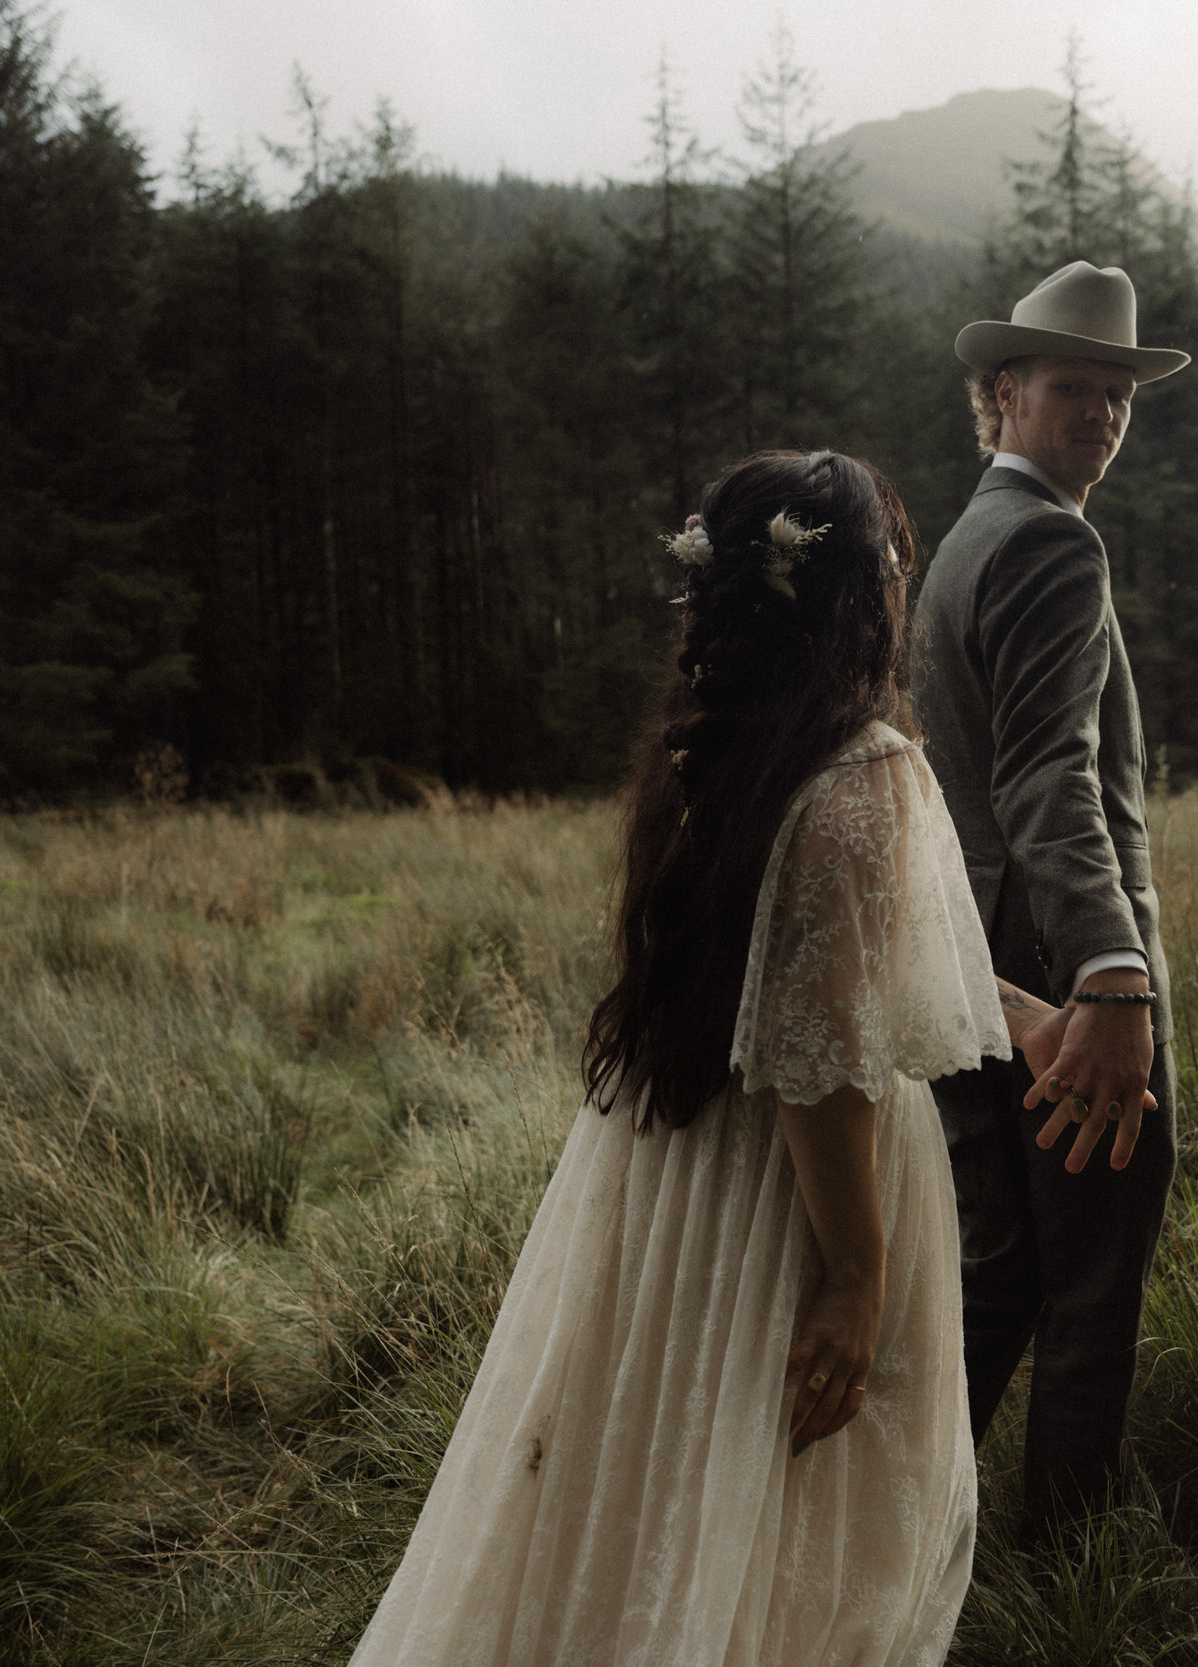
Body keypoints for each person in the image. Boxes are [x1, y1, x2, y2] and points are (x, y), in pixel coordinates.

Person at [348, 451, 1079, 1667]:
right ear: (858, 594)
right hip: (791, 1198)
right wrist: (853, 1275)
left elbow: (834, 954)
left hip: (675, 1174)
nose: (903, 583)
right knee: (804, 1510)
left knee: (656, 1476)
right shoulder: (861, 770)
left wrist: (1025, 1016)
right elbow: (815, 1058)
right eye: (893, 562)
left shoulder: (718, 749)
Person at [914, 261, 1191, 1536]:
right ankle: (1069, 1563)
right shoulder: (1050, 541)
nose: (1102, 413)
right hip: (1056, 972)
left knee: (1002, 1272)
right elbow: (1043, 777)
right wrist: (1111, 973)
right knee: (1091, 1280)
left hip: (970, 964)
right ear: (1004, 393)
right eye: (1073, 387)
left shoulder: (966, 538)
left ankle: (910, 1537)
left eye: (1117, 394)